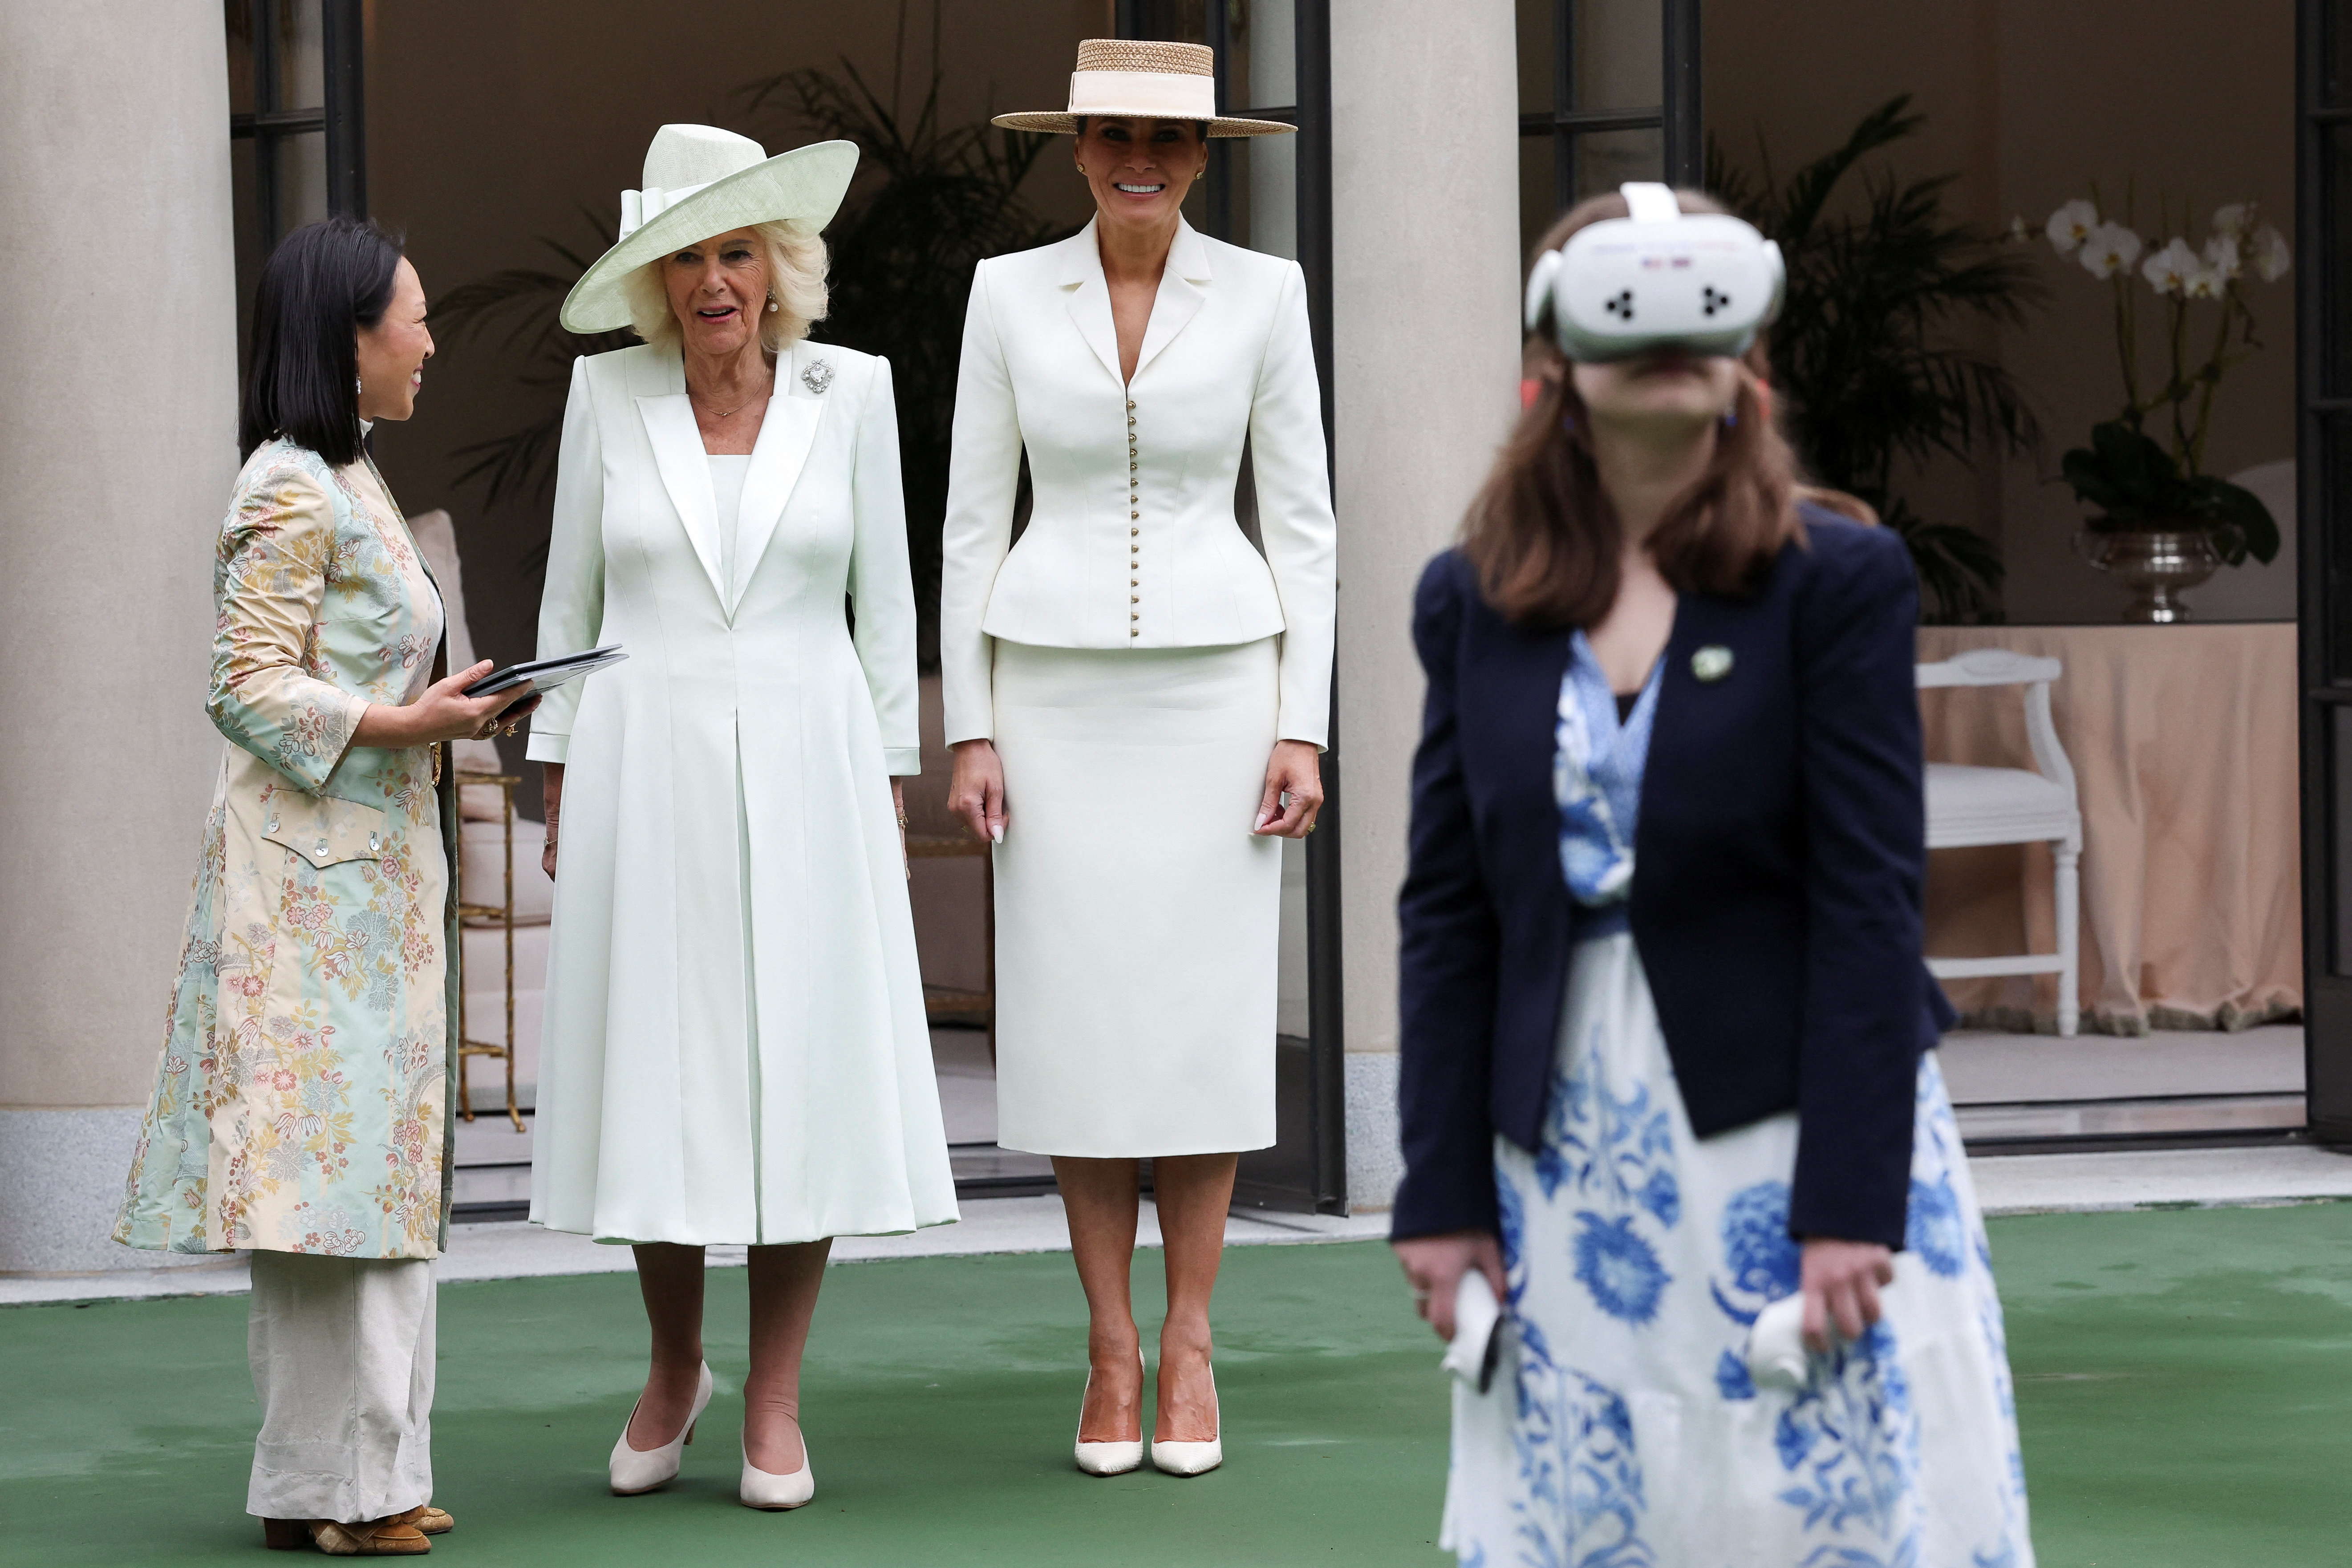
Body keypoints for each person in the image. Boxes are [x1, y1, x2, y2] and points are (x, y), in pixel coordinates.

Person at [1390, 189, 2034, 1565]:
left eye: (1701, 305)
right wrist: (1437, 1195)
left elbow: (1868, 899)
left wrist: (1848, 1206)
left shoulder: (1835, 579)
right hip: (1571, 1144)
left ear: (1747, 348)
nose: (1665, 338)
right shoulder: (1472, 598)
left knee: (1813, 1495)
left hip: (1793, 1121)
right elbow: (1447, 909)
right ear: (1552, 353)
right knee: (1605, 1500)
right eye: (1625, 304)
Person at [527, 124, 956, 1512]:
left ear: (779, 266)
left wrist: (889, 775)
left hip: (812, 762)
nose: (714, 281)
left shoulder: (854, 390)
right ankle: (674, 1368)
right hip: (641, 763)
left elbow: (886, 607)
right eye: (687, 258)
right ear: (655, 282)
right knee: (663, 1064)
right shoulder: (606, 395)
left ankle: (774, 1393)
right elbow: (569, 598)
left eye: (737, 252)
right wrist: (554, 761)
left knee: (798, 1068)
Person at [941, 40, 1334, 1479]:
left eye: (1167, 138)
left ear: (1203, 155)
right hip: (1049, 700)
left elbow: (1303, 523)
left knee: (1199, 1025)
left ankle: (1190, 1342)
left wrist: (1302, 720)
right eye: (1113, 133)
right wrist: (971, 725)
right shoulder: (1004, 292)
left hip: (1221, 696)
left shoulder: (1268, 294)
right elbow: (969, 520)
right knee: (1082, 1026)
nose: (1139, 159)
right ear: (1076, 147)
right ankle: (1110, 1346)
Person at [115, 217, 527, 1556]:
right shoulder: (289, 486)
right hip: (309, 892)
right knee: (331, 1188)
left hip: (368, 880)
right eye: (414, 316)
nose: (429, 341)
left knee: (363, 1181)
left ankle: (346, 1483)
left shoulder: (350, 475)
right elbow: (244, 685)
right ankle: (347, 1491)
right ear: (350, 337)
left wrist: (449, 708)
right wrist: (411, 724)